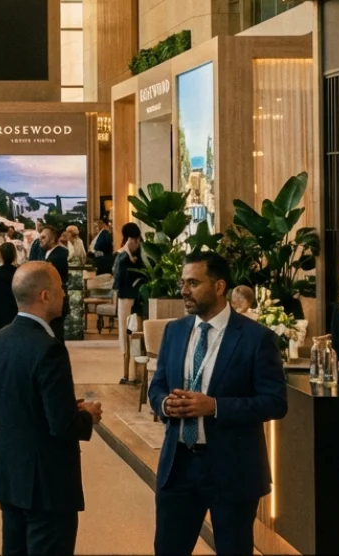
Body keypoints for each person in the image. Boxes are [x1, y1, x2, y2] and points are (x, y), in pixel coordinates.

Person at [149, 252, 287, 556]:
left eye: (193, 283)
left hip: (232, 468)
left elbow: (275, 402)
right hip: (179, 465)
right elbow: (157, 385)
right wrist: (164, 405)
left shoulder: (256, 338)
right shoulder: (174, 331)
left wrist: (215, 406)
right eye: (183, 283)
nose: (184, 290)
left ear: (220, 285)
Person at [0, 261, 102, 556]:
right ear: (45, 296)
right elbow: (63, 426)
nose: (65, 295)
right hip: (47, 484)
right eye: (60, 289)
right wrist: (87, 415)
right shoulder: (49, 349)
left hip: (10, 476)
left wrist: (61, 406)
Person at [112, 223, 146, 385]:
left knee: (127, 333)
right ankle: (133, 372)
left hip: (127, 296)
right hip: (140, 297)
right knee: (136, 331)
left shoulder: (123, 254)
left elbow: (117, 278)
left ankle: (129, 373)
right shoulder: (142, 251)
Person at [40, 226, 71, 347]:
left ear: (53, 240)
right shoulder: (50, 253)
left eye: (43, 237)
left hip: (56, 300)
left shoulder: (59, 255)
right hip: (52, 300)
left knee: (56, 337)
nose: (40, 240)